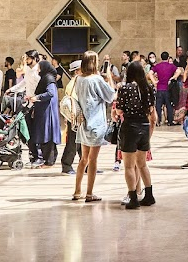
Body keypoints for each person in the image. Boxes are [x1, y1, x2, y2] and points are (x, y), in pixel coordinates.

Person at [71, 51, 116, 202]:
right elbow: (110, 95)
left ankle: (77, 191)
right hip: (96, 123)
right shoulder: (96, 79)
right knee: (93, 160)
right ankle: (89, 193)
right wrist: (109, 77)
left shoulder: (78, 79)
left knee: (83, 159)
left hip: (83, 123)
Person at [115, 60, 157, 209]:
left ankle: (133, 197)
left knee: (128, 166)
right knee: (142, 164)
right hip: (144, 126)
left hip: (130, 127)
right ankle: (149, 195)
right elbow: (151, 109)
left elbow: (119, 110)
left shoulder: (125, 88)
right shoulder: (149, 88)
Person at [26, 60, 60, 167]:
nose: (38, 70)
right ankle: (48, 160)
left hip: (47, 111)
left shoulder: (48, 79)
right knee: (46, 135)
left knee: (48, 135)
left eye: (40, 68)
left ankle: (49, 161)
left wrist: (37, 97)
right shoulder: (46, 78)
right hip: (44, 110)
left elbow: (50, 93)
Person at [60, 59, 83, 174]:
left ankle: (87, 165)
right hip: (76, 117)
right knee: (73, 142)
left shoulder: (74, 82)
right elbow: (74, 101)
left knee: (82, 142)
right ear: (77, 71)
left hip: (76, 117)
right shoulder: (76, 83)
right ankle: (66, 165)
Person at [150, 51, 176, 127]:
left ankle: (158, 121)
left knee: (158, 105)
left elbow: (150, 73)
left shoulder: (157, 66)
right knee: (169, 105)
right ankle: (170, 121)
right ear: (168, 58)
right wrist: (172, 78)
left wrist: (154, 81)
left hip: (159, 88)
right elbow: (178, 71)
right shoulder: (171, 66)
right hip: (168, 88)